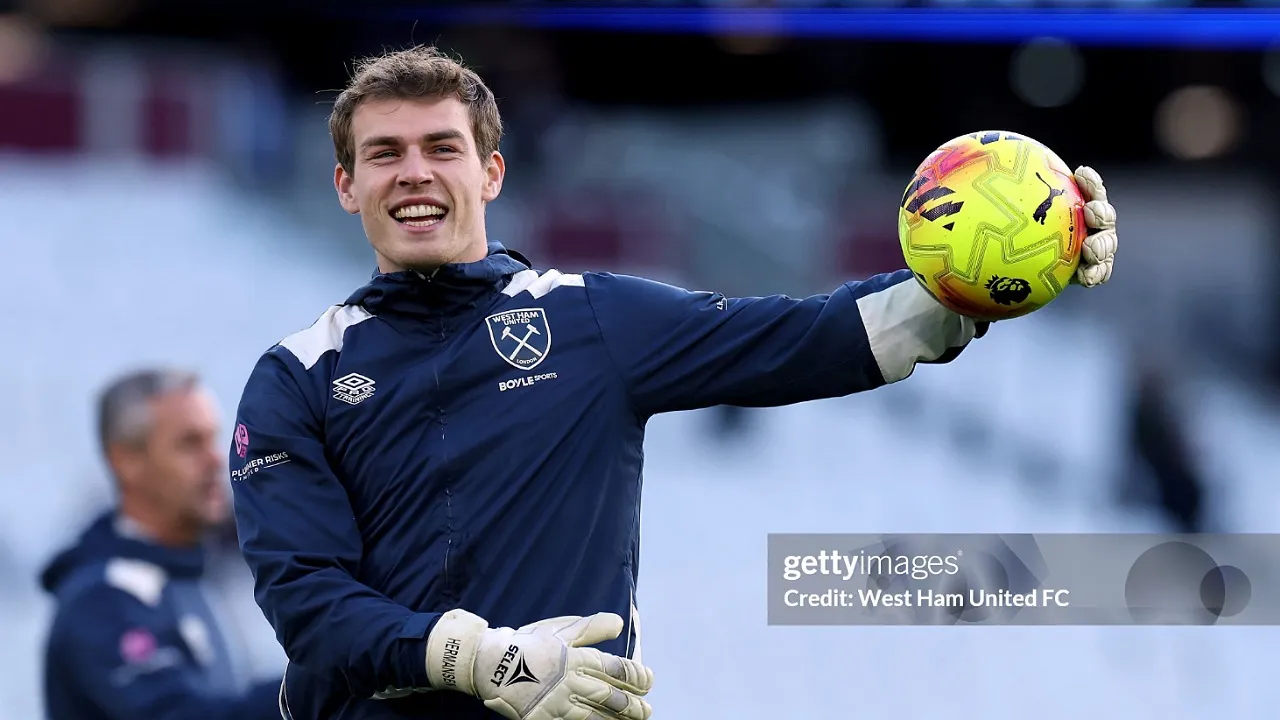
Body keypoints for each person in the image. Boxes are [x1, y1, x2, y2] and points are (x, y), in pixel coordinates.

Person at [228, 46, 1119, 720]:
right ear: (346, 185)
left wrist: (989, 283)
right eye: (384, 154)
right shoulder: (295, 378)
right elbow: (308, 603)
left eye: (440, 148)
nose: (414, 172)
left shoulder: (592, 319)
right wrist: (475, 658)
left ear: (491, 172)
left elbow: (805, 339)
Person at [40, 369, 283, 720]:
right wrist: (318, 689)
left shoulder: (190, 574)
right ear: (127, 461)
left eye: (214, 439)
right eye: (189, 443)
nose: (216, 459)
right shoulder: (101, 601)